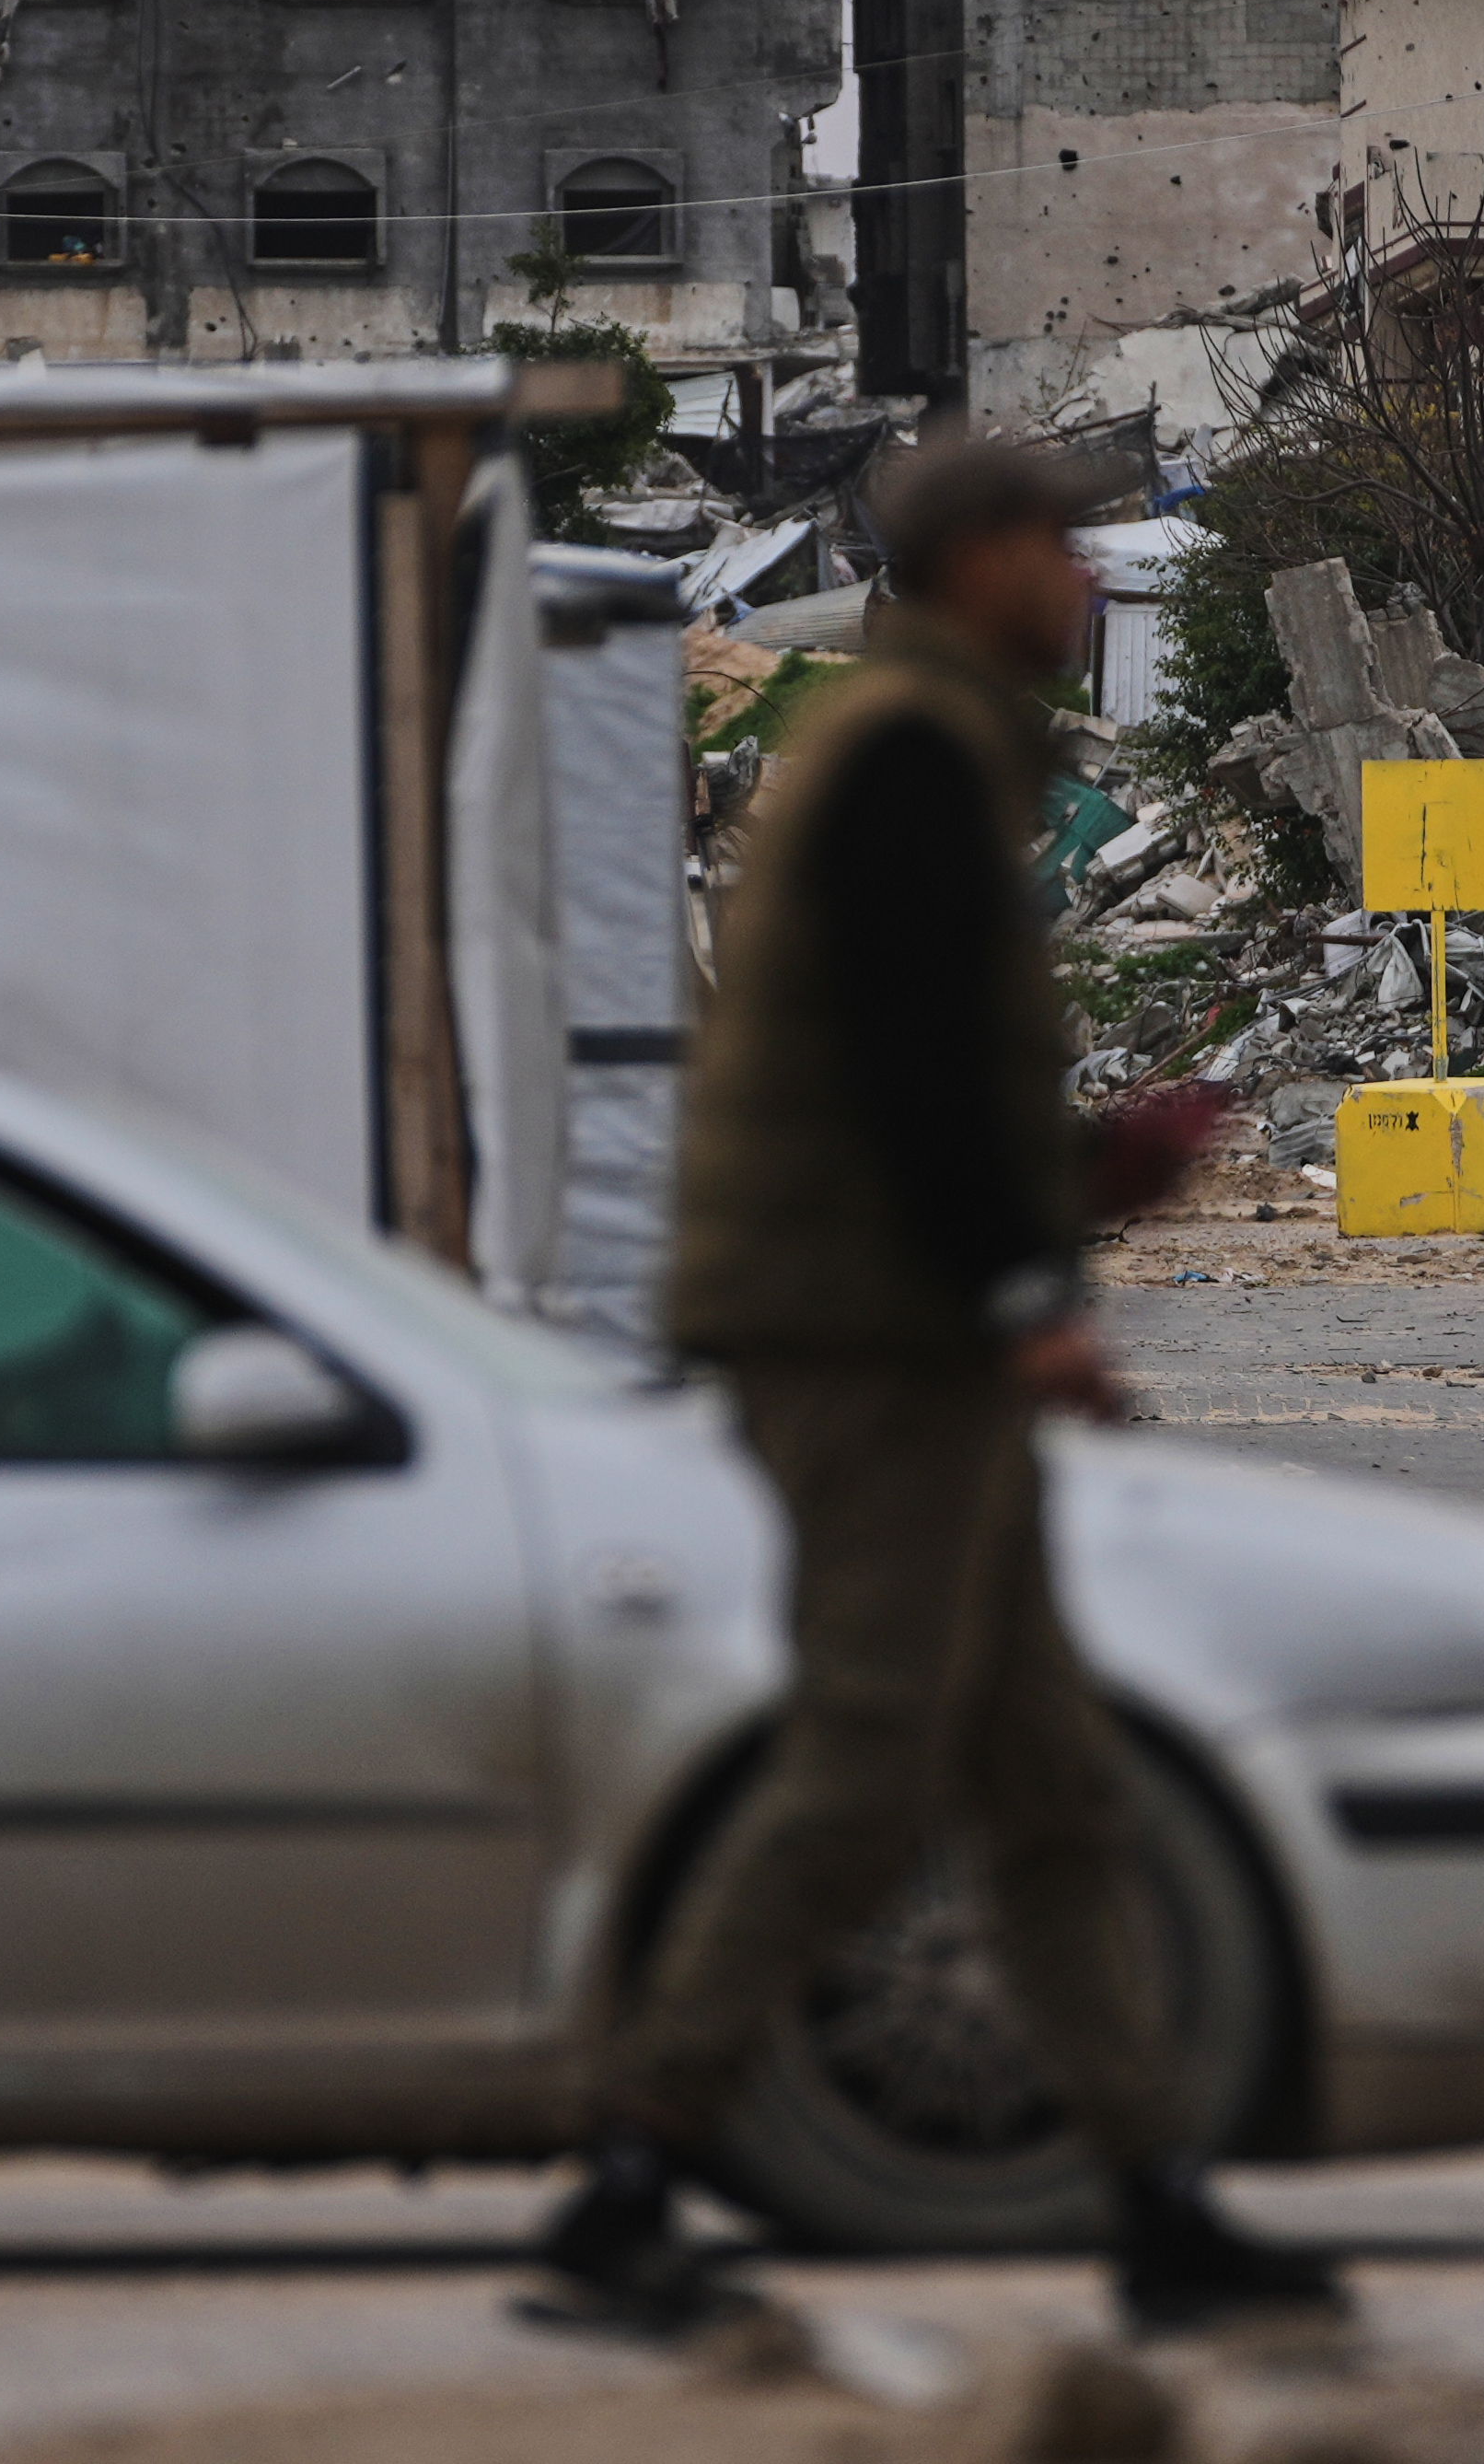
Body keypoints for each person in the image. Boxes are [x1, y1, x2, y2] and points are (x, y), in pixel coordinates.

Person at [528, 437, 1342, 2344]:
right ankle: (629, 2164)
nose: (1080, 587)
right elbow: (897, 1066)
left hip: (912, 1324)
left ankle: (1154, 2189)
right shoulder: (909, 753)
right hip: (865, 1335)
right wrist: (1016, 1285)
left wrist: (1077, 1192)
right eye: (1057, 550)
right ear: (979, 559)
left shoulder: (940, 746)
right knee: (871, 1754)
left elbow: (938, 1082)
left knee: (1048, 1780)